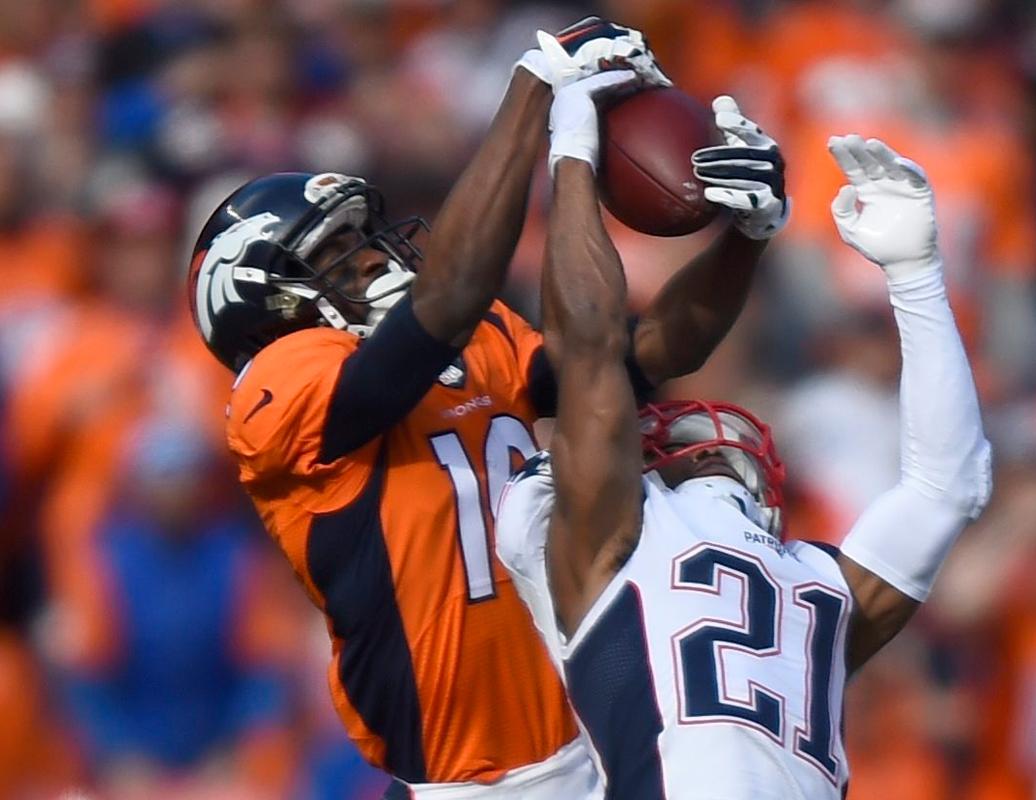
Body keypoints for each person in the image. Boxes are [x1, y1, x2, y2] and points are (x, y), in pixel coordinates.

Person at [186, 17, 790, 799]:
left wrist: (747, 236)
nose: (378, 259)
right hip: (469, 780)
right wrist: (535, 92)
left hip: (601, 736)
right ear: (259, 300)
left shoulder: (479, 335)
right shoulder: (277, 386)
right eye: (343, 254)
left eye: (370, 240)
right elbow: (450, 300)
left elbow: (649, 353)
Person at [495, 115, 992, 798]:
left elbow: (951, 485)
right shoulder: (612, 545)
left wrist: (916, 275)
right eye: (682, 440)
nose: (708, 438)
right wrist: (573, 154)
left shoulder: (819, 593)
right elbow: (590, 349)